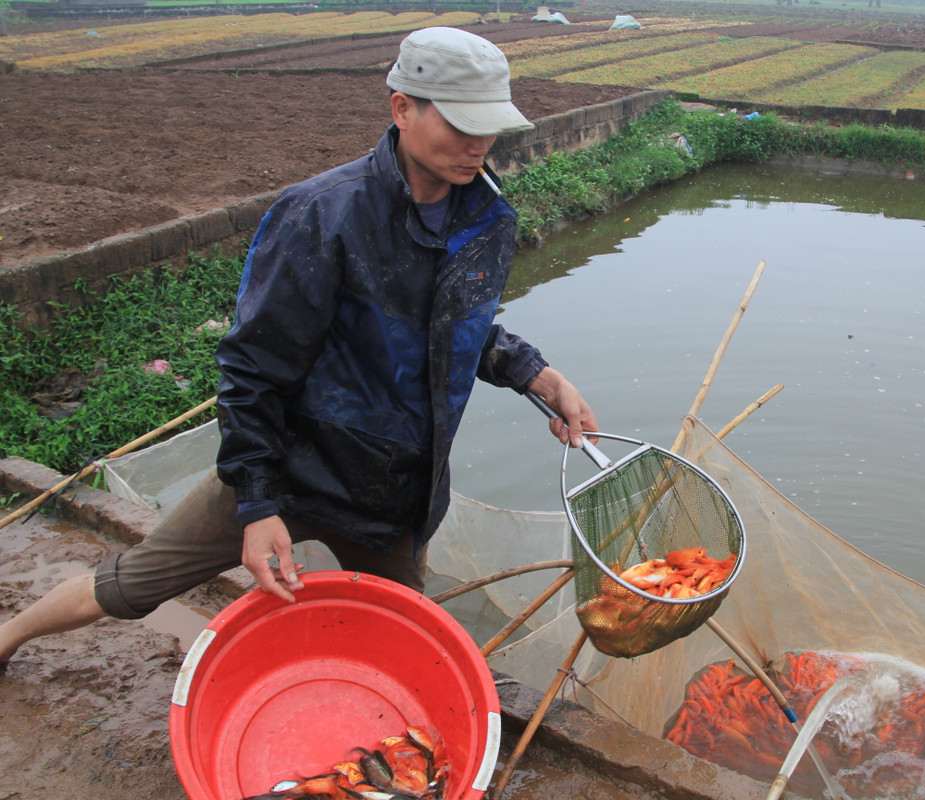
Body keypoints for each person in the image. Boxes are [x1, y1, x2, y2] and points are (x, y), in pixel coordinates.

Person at [0, 26, 596, 665]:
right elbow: (252, 367)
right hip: (288, 465)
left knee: (403, 639)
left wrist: (539, 376)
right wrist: (257, 504)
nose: (479, 145)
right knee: (133, 585)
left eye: (490, 127)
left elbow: (452, 329)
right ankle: (8, 636)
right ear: (402, 109)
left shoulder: (484, 218)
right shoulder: (321, 214)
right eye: (461, 124)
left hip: (393, 487)